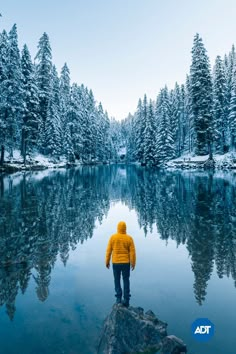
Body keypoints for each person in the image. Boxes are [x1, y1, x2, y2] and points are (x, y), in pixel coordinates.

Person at [105, 221, 136, 307]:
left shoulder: (113, 237)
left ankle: (118, 298)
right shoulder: (129, 238)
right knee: (126, 280)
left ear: (117, 228)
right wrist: (133, 263)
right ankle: (126, 299)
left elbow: (108, 251)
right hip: (126, 263)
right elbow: (132, 253)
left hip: (116, 263)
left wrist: (107, 261)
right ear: (125, 228)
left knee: (117, 280)